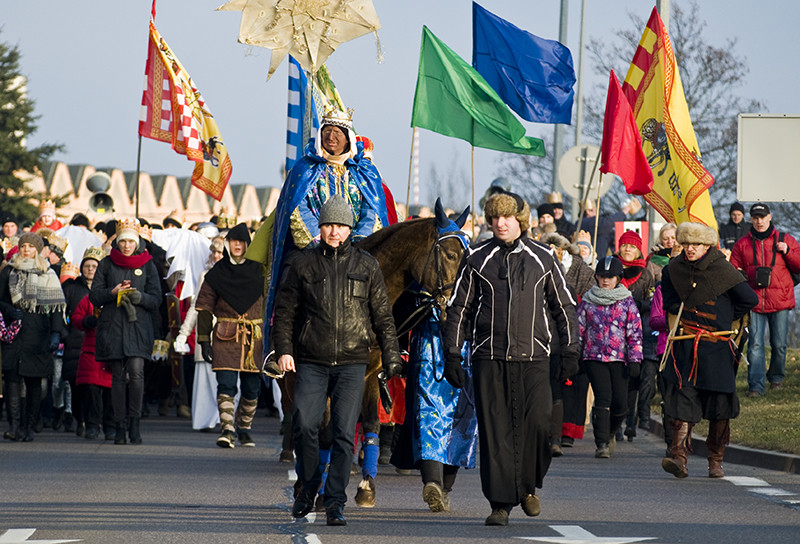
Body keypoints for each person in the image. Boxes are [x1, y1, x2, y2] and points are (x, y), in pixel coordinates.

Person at [442, 191, 580, 526]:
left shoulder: (543, 257)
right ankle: (500, 504)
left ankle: (528, 486)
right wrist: (452, 354)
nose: (500, 224)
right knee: (496, 432)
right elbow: (459, 308)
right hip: (489, 356)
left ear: (520, 220)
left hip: (534, 357)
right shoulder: (476, 257)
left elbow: (564, 307)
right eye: (494, 218)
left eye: (506, 217)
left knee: (540, 425)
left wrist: (571, 348)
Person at [272, 196, 403, 527]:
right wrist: (284, 349)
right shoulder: (302, 264)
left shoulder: (366, 265)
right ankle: (309, 487)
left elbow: (383, 316)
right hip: (311, 360)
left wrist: (390, 353)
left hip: (352, 362)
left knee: (345, 434)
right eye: (329, 225)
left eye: (341, 226)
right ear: (321, 227)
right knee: (304, 425)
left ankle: (334, 502)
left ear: (349, 230)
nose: (335, 231)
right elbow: (285, 311)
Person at [264, 107, 393, 346]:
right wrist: (318, 240)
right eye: (327, 131)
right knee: (289, 275)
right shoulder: (304, 169)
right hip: (313, 246)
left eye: (337, 132)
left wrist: (357, 242)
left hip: (355, 248)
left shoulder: (365, 172)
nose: (331, 137)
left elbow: (372, 210)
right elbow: (297, 208)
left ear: (348, 137)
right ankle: (279, 346)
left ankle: (391, 348)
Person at [660, 222, 757, 478]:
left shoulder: (723, 270)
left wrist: (724, 320)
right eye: (687, 244)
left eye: (697, 245)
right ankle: (678, 457)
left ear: (707, 246)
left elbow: (749, 299)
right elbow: (669, 301)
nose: (690, 249)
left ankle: (715, 461)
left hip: (717, 346)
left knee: (720, 405)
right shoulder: (673, 270)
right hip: (686, 346)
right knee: (682, 400)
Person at [90, 219, 162, 445]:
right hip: (114, 326)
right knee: (118, 378)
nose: (127, 246)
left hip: (138, 326)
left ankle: (135, 423)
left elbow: (157, 298)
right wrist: (112, 292)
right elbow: (94, 295)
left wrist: (139, 297)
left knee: (137, 372)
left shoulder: (148, 264)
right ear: (117, 243)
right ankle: (119, 426)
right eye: (123, 242)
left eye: (131, 241)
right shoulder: (106, 264)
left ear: (137, 242)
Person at [195, 224, 266, 448]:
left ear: (248, 244)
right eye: (233, 241)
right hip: (226, 336)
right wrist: (204, 341)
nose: (237, 245)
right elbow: (204, 308)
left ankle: (244, 427)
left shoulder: (260, 271)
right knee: (226, 384)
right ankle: (227, 429)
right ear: (227, 244)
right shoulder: (217, 273)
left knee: (251, 388)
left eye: (242, 241)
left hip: (254, 338)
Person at [730, 203, 800, 396]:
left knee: (779, 344)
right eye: (755, 218)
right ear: (751, 220)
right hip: (754, 301)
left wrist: (787, 251)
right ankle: (756, 386)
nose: (759, 221)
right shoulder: (742, 244)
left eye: (762, 217)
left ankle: (776, 378)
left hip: (780, 300)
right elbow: (732, 269)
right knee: (755, 345)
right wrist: (739, 275)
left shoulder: (785, 239)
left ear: (770, 217)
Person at [0, 232, 64, 442]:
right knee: (12, 380)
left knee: (35, 381)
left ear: (37, 249)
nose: (27, 249)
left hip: (38, 332)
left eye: (31, 246)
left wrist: (56, 333)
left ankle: (29, 426)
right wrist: (9, 309)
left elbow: (56, 308)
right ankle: (15, 426)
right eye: (24, 245)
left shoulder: (48, 272)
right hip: (15, 331)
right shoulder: (9, 270)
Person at [577, 256, 643, 458]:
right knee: (603, 398)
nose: (606, 280)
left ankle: (612, 431)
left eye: (610, 277)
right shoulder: (588, 301)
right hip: (594, 357)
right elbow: (579, 329)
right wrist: (574, 356)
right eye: (602, 276)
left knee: (620, 403)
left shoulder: (627, 302)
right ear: (596, 277)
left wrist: (635, 359)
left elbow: (635, 332)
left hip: (619, 359)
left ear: (618, 278)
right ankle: (602, 443)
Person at [614, 230, 655, 442]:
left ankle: (631, 421)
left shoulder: (646, 273)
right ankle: (616, 424)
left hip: (638, 332)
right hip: (614, 332)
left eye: (632, 246)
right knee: (617, 379)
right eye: (625, 245)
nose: (628, 249)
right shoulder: (611, 267)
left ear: (639, 249)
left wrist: (639, 305)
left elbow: (652, 300)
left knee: (635, 379)